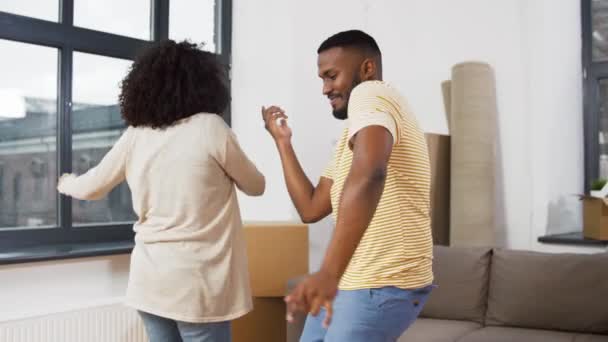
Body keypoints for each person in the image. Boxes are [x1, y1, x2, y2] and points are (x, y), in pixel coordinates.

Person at [58, 40, 265, 342]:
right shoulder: (210, 127)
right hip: (198, 285)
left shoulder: (136, 136)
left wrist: (64, 181)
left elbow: (91, 186)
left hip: (149, 282)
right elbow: (256, 186)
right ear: (205, 84)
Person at [261, 30, 434, 341]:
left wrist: (327, 272)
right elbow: (311, 208)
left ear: (367, 69)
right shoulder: (350, 137)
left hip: (381, 282)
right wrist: (283, 143)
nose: (325, 88)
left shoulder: (373, 94)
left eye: (332, 76)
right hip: (350, 282)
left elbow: (370, 175)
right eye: (321, 79)